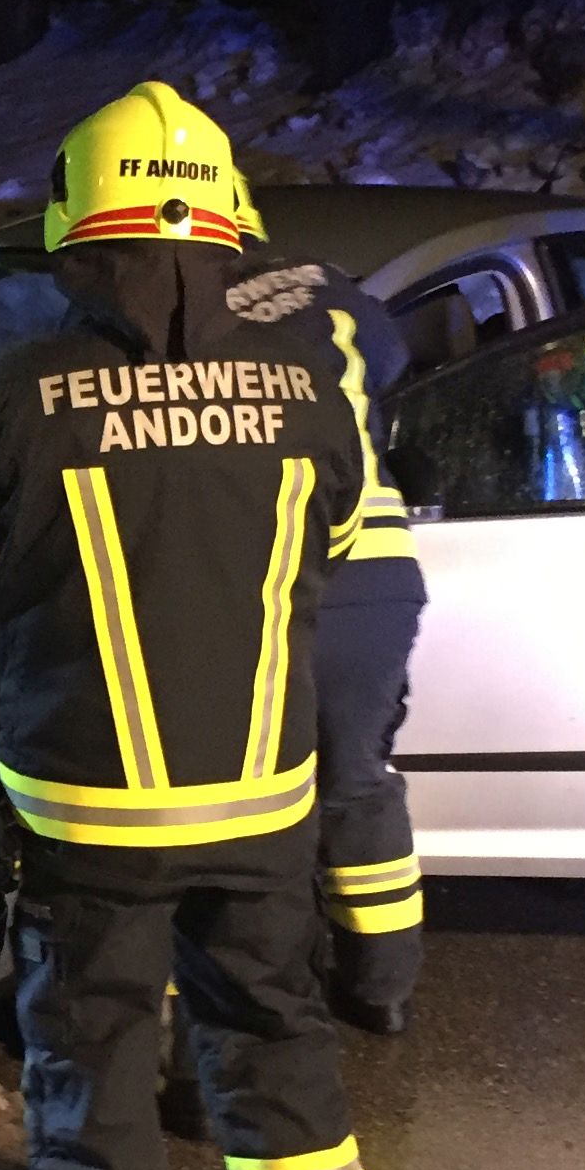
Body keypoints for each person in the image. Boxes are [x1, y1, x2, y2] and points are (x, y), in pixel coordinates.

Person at [0, 81, 376, 1170]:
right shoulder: (308, 391)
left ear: (80, 244)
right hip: (263, 805)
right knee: (274, 1040)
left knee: (95, 1060)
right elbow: (329, 548)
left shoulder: (15, 394)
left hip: (90, 817)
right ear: (230, 235)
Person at [227, 178, 427, 1034]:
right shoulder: (337, 289)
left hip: (271, 573)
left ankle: (265, 994)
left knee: (247, 789)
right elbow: (392, 368)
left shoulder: (190, 312)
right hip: (379, 571)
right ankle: (382, 990)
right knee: (355, 783)